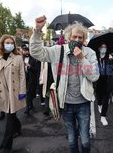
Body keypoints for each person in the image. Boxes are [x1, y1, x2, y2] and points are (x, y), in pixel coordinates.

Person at [29, 16, 99, 153]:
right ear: (68, 38)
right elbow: (36, 52)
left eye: (80, 38)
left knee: (85, 139)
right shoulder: (57, 50)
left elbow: (95, 76)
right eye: (74, 37)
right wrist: (37, 31)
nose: (77, 40)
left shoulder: (90, 53)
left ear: (84, 39)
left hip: (83, 103)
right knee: (72, 139)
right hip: (65, 103)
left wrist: (81, 59)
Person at [0, 35, 26, 153]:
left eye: (12, 43)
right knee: (11, 115)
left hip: (13, 93)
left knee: (10, 116)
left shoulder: (18, 58)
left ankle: (6, 145)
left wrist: (22, 91)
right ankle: (18, 128)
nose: (10, 44)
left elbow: (22, 76)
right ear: (2, 44)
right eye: (7, 42)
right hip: (1, 92)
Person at [95, 43, 113, 126]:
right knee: (99, 98)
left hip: (107, 81)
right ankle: (99, 104)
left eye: (105, 47)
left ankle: (103, 116)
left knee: (106, 99)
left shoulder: (109, 57)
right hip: (97, 81)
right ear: (99, 48)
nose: (103, 49)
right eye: (102, 47)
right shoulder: (94, 57)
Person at [22, 44, 41, 115]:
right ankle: (29, 106)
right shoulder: (21, 59)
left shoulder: (33, 59)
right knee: (27, 93)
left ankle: (28, 106)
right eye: (24, 50)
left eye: (27, 50)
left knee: (29, 93)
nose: (25, 52)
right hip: (23, 79)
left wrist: (29, 66)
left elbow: (36, 70)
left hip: (31, 79)